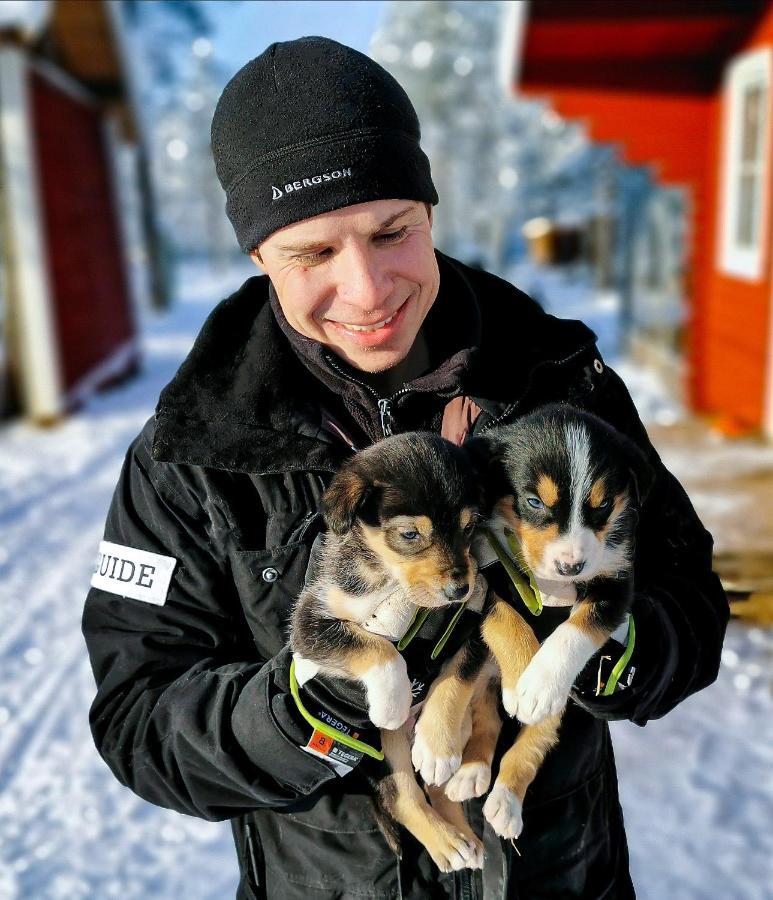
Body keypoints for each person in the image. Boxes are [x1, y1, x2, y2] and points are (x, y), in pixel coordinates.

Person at [82, 37, 728, 900]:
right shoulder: (195, 454)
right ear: (257, 258)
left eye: (392, 232)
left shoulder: (556, 385)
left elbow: (690, 602)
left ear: (431, 207)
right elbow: (140, 724)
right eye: (312, 254)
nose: (367, 288)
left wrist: (602, 641)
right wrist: (311, 707)